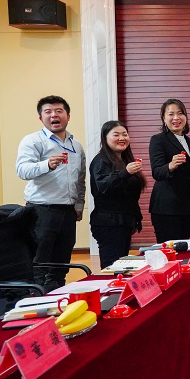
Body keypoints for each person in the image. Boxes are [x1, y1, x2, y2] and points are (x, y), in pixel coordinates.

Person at [16, 95, 86, 291]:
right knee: (39, 262)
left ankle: (57, 296)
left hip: (68, 211)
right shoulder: (33, 141)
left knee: (61, 264)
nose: (54, 115)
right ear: (41, 118)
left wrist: (79, 205)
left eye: (59, 111)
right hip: (42, 211)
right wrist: (46, 164)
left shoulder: (75, 145)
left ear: (68, 116)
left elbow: (80, 178)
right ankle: (36, 298)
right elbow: (22, 170)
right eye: (48, 112)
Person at [89, 120, 146, 268]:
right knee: (112, 267)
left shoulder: (125, 159)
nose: (122, 138)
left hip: (124, 222)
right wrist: (125, 173)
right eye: (116, 135)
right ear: (105, 138)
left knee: (121, 266)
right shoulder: (101, 161)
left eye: (125, 134)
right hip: (109, 223)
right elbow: (103, 187)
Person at [148, 99, 190, 243]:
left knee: (183, 250)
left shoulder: (189, 141)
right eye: (171, 114)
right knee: (169, 250)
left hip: (186, 208)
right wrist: (170, 165)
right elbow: (157, 172)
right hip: (166, 208)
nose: (176, 118)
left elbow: (189, 176)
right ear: (164, 118)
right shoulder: (158, 140)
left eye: (180, 113)